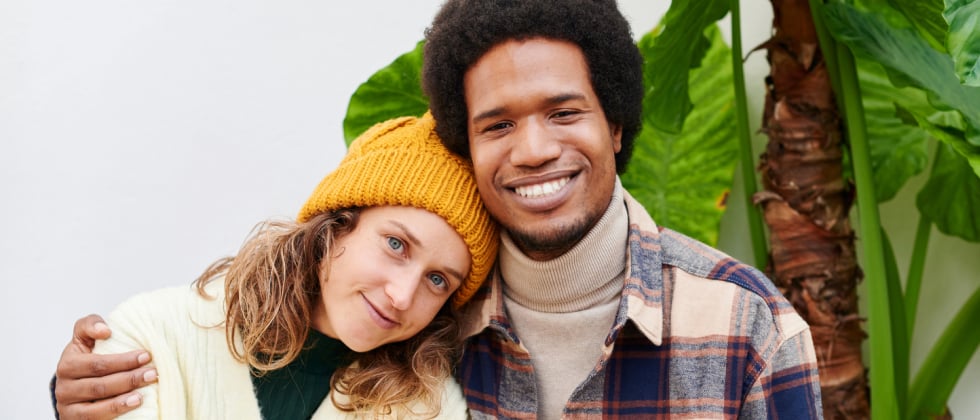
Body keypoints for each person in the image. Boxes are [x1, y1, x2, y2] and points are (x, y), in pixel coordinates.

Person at [54, 1, 824, 419]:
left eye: (564, 112)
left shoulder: (745, 328)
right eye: (496, 124)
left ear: (616, 124)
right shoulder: (437, 323)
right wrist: (86, 391)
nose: (531, 150)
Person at [52, 113, 498, 419]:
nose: (403, 296)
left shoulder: (431, 406)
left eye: (438, 280)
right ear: (336, 226)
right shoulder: (152, 334)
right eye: (396, 244)